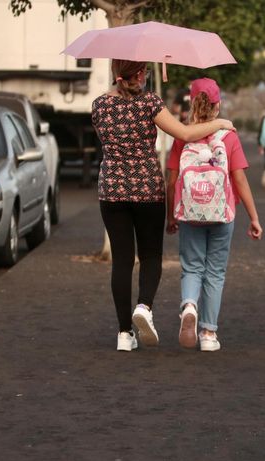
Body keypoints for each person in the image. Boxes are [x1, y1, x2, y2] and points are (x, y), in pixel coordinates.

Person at [92, 60, 233, 352]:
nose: (146, 75)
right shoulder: (150, 103)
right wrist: (220, 123)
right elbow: (185, 134)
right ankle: (144, 307)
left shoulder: (99, 105)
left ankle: (123, 334)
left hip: (112, 190)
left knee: (121, 260)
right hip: (147, 189)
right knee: (150, 255)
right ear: (139, 74)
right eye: (144, 71)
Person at [166, 78, 263, 352]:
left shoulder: (183, 136)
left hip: (190, 213)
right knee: (215, 272)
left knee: (192, 267)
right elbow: (239, 179)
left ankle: (189, 305)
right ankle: (208, 333)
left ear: (191, 103)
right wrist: (254, 217)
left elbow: (171, 181)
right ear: (218, 106)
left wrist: (171, 216)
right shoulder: (228, 136)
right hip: (222, 213)